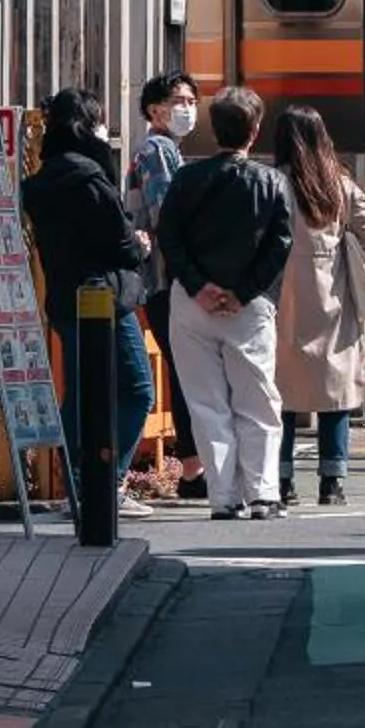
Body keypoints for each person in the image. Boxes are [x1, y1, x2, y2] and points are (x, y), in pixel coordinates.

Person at [156, 85, 292, 521]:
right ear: (254, 131)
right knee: (258, 400)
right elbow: (280, 245)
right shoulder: (271, 182)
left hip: (191, 304)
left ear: (214, 129)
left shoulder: (186, 178)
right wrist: (244, 291)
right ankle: (264, 494)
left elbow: (169, 238)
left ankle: (224, 497)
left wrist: (199, 286)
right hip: (247, 308)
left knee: (206, 403)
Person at [20, 87, 155, 513]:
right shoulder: (91, 178)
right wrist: (140, 245)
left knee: (80, 391)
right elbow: (120, 245)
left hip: (64, 297)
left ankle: (79, 484)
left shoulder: (40, 183)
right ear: (87, 126)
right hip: (106, 297)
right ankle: (105, 483)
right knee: (137, 389)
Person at [270, 105, 365, 507]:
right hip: (332, 299)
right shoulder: (340, 185)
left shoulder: (273, 183)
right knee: (334, 394)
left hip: (281, 298)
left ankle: (282, 480)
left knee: (280, 391)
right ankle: (332, 483)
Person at [130, 71, 203, 500]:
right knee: (188, 372)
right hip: (166, 279)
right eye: (178, 101)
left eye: (192, 101)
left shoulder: (165, 150)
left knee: (186, 371)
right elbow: (166, 216)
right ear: (154, 109)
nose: (188, 109)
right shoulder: (157, 151)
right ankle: (193, 470)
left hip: (164, 279)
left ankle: (194, 468)